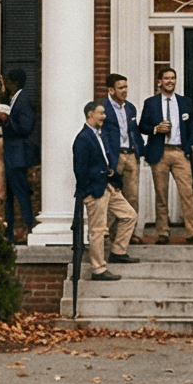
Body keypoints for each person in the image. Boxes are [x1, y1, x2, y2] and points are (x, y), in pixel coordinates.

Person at [73, 101, 137, 281]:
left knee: (129, 215)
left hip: (109, 186)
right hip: (96, 190)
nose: (104, 116)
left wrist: (110, 176)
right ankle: (98, 269)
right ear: (90, 115)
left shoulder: (99, 134)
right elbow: (80, 169)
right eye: (100, 113)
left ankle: (118, 251)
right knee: (98, 230)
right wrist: (89, 191)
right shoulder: (83, 138)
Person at [142, 66, 193, 245]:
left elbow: (192, 127)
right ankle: (163, 233)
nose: (170, 81)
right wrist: (156, 129)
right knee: (161, 194)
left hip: (180, 152)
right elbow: (142, 126)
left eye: (173, 78)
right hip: (160, 152)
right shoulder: (151, 103)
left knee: (187, 193)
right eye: (166, 78)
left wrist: (188, 147)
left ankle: (192, 233)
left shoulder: (185, 102)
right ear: (159, 82)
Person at [104, 74, 144, 264]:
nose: (125, 91)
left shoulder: (130, 108)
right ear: (111, 90)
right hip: (114, 156)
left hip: (130, 155)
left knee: (132, 197)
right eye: (121, 88)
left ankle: (125, 238)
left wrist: (139, 152)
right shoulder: (102, 108)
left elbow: (133, 131)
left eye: (126, 87)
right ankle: (109, 237)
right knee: (111, 197)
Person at [1, 68, 39, 241]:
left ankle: (30, 228)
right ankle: (9, 234)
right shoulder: (14, 99)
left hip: (17, 155)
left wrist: (6, 121)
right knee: (9, 195)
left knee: (21, 193)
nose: (6, 85)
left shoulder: (23, 100)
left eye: (8, 81)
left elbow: (25, 127)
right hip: (10, 155)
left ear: (14, 83)